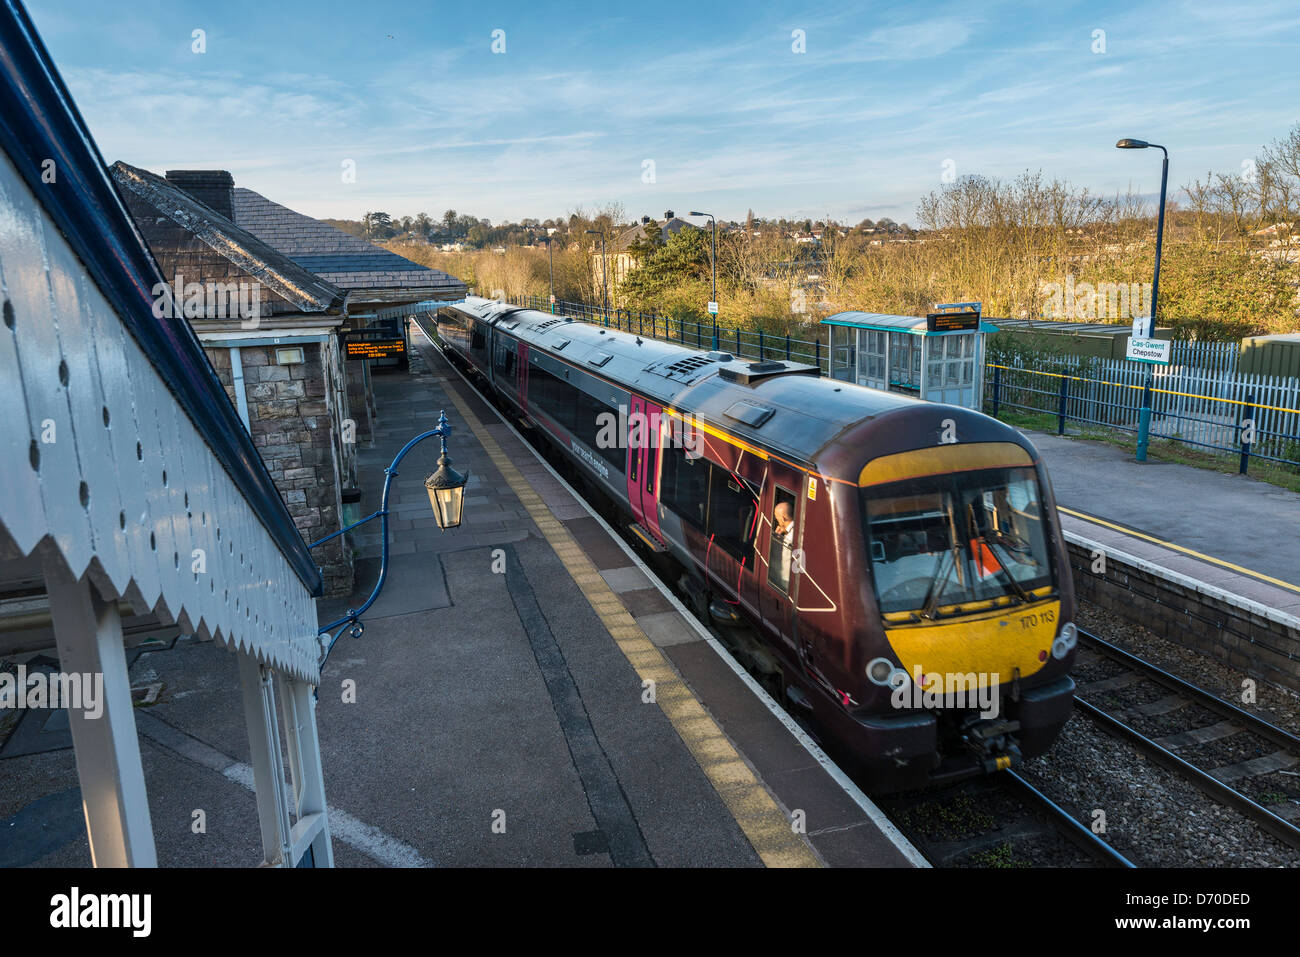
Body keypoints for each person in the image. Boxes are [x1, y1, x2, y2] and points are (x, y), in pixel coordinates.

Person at [770, 500, 795, 590]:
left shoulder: (789, 538)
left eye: (777, 518)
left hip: (784, 582)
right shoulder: (796, 531)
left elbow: (777, 558)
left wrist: (775, 541)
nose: (777, 522)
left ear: (783, 518)